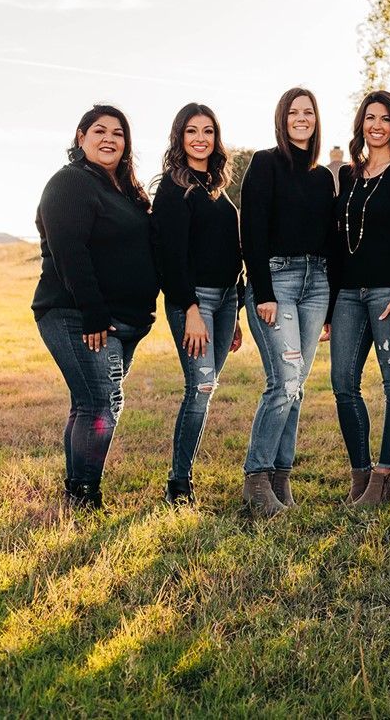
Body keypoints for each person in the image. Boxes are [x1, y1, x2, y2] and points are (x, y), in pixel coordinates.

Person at [32, 105, 159, 510]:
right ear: (81, 137)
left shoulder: (123, 191)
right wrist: (94, 313)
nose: (109, 139)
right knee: (101, 403)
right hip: (77, 315)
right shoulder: (71, 182)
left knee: (92, 402)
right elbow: (70, 252)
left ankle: (77, 490)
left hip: (122, 321)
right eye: (100, 131)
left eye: (118, 133)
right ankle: (85, 496)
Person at [240, 87, 335, 516]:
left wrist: (329, 308)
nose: (301, 118)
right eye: (293, 112)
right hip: (276, 281)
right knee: (284, 380)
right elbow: (252, 231)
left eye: (308, 112)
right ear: (282, 119)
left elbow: (330, 241)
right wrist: (262, 292)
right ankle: (256, 478)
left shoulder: (323, 177)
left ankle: (281, 477)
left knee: (296, 387)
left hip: (317, 284)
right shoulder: (265, 163)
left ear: (316, 119)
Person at [331, 90, 390, 507]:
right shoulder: (349, 175)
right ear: (361, 125)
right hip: (349, 295)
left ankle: (384, 478)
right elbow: (338, 243)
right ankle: (361, 476)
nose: (377, 125)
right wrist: (331, 305)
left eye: (385, 118)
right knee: (343, 384)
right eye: (370, 118)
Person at [152, 103, 243, 507]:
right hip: (195, 302)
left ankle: (182, 477)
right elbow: (169, 256)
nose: (200, 138)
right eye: (192, 131)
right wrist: (189, 308)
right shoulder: (173, 188)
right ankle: (179, 483)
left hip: (226, 301)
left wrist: (235, 313)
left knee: (207, 388)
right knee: (201, 386)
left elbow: (229, 250)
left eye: (208, 131)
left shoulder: (216, 187)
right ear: (180, 137)